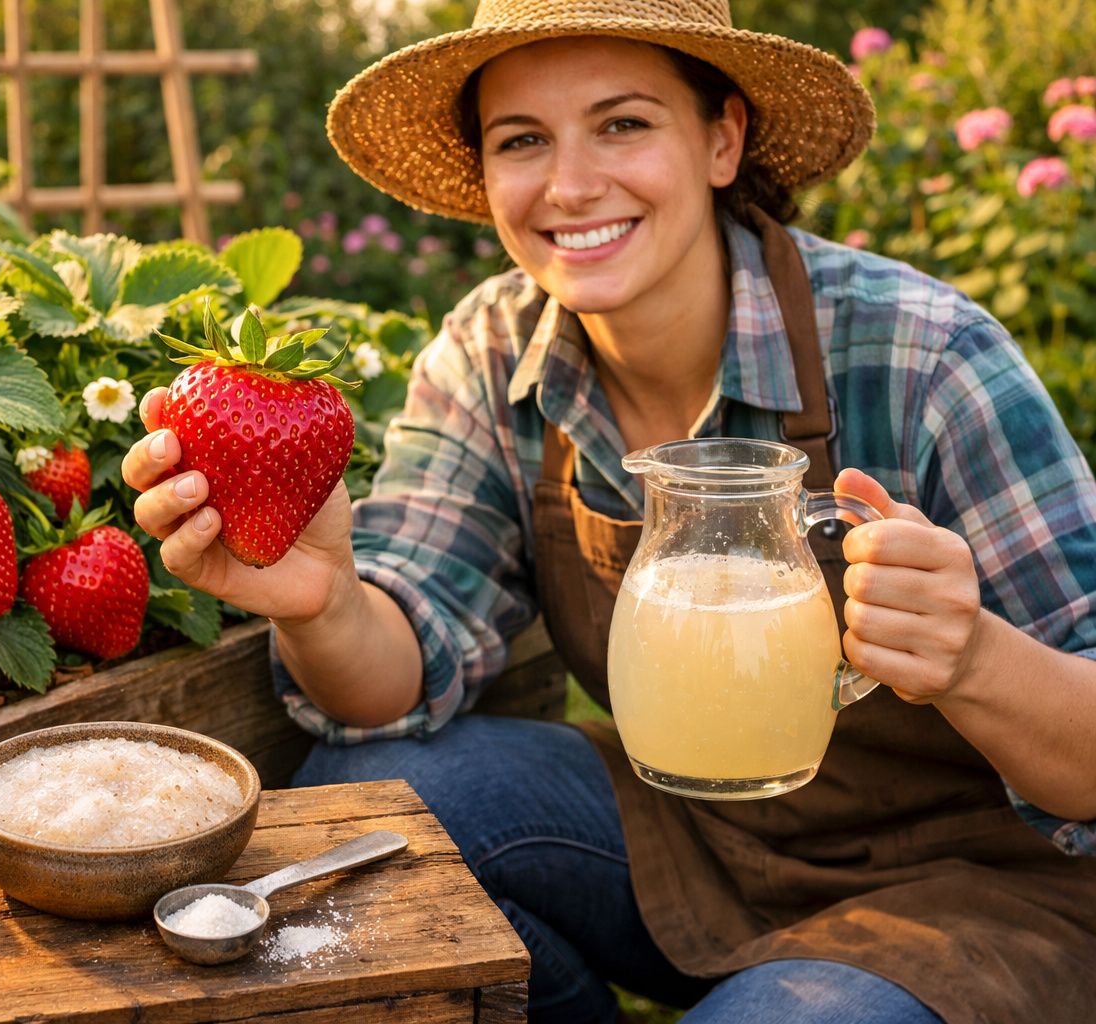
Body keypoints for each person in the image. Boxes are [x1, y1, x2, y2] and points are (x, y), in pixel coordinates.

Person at [121, 1, 1096, 1020]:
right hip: (685, 837)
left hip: (972, 897)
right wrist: (321, 604)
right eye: (523, 140)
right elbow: (395, 677)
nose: (571, 184)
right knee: (360, 809)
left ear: (722, 139)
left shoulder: (923, 356)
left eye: (623, 123)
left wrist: (975, 658)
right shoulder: (495, 352)